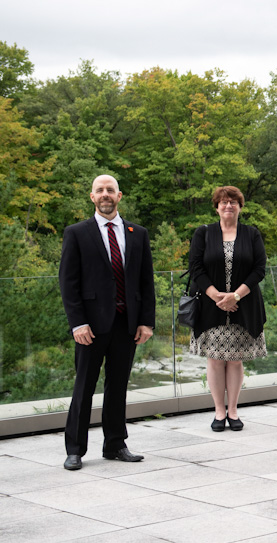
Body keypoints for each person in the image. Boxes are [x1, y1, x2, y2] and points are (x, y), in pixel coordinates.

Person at [59, 174, 155, 470]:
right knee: (83, 386)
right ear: (92, 197)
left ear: (119, 195)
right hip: (90, 326)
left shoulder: (137, 233)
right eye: (100, 190)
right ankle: (75, 449)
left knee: (118, 387)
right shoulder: (76, 232)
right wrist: (78, 323)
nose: (105, 194)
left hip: (126, 324)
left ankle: (115, 444)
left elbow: (145, 282)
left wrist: (146, 322)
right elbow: (68, 282)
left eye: (110, 190)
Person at [188, 186, 267, 432]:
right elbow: (196, 268)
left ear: (240, 206)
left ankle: (233, 410)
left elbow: (259, 269)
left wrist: (235, 296)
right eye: (223, 202)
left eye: (233, 202)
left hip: (244, 306)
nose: (228, 206)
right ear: (217, 207)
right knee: (214, 360)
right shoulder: (203, 233)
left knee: (235, 361)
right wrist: (217, 297)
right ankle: (218, 412)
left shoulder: (252, 234)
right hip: (210, 307)